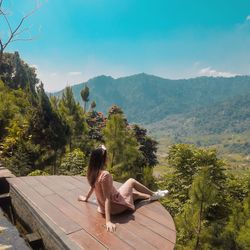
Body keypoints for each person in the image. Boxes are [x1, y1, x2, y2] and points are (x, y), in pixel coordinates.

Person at [78, 145, 169, 232]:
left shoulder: (92, 172)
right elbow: (107, 199)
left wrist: (86, 198)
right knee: (131, 181)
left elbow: (92, 186)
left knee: (134, 195)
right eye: (107, 156)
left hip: (104, 206)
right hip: (115, 206)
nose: (108, 158)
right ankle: (154, 194)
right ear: (103, 159)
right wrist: (108, 221)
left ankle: (151, 197)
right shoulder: (105, 175)